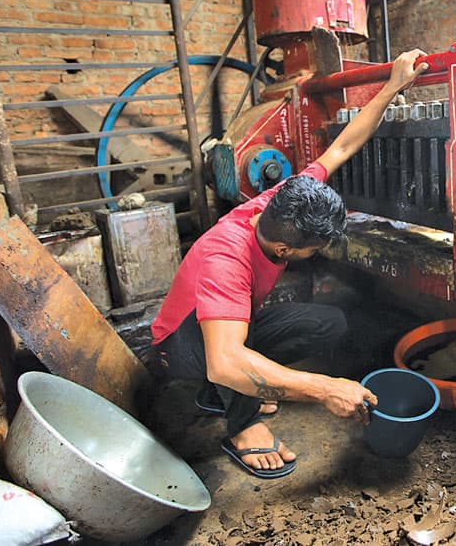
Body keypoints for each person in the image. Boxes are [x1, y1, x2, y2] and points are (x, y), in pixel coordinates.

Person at [150, 49, 429, 479]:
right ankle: (240, 426)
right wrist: (325, 389)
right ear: (285, 251)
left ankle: (222, 393)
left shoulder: (283, 201)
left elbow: (343, 146)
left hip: (223, 332)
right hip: (179, 348)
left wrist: (392, 85)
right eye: (312, 251)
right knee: (231, 361)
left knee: (329, 322)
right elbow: (225, 359)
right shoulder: (227, 258)